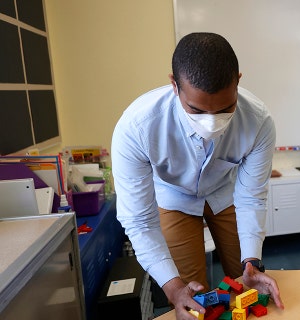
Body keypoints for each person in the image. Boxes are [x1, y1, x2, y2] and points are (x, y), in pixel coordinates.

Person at [111, 32, 284, 319]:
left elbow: (251, 195)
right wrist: (173, 288)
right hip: (173, 197)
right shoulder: (137, 127)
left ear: (238, 81)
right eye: (196, 110)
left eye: (226, 109)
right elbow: (140, 221)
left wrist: (252, 259)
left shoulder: (259, 121)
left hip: (225, 193)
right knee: (193, 296)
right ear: (174, 86)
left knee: (246, 280)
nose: (212, 122)